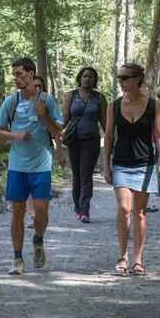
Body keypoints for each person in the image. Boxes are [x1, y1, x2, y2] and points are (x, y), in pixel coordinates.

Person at [0, 58, 63, 275]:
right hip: (17, 166)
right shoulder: (10, 102)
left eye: (20, 74)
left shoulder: (47, 100)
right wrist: (16, 135)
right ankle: (17, 258)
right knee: (17, 210)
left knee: (41, 211)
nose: (16, 78)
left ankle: (38, 240)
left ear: (31, 75)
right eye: (14, 74)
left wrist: (43, 115)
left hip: (41, 164)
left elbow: (58, 131)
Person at [103, 63, 160, 276]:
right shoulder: (113, 105)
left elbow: (159, 136)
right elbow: (110, 136)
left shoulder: (153, 105)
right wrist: (106, 164)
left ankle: (138, 260)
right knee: (124, 209)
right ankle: (122, 257)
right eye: (119, 78)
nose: (120, 81)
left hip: (145, 164)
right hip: (121, 162)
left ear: (136, 80)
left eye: (124, 78)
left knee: (139, 213)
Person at [61, 67, 107, 223]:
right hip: (73, 140)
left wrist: (112, 139)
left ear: (95, 80)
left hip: (91, 140)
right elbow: (65, 118)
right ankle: (78, 208)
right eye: (85, 76)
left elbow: (105, 122)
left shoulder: (99, 98)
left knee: (86, 175)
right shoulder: (71, 95)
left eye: (91, 77)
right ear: (80, 78)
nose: (88, 79)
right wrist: (53, 132)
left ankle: (85, 209)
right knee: (77, 175)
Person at [26, 75, 65, 229]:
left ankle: (41, 215)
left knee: (41, 186)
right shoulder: (21, 104)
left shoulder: (48, 105)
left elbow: (57, 131)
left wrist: (60, 152)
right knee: (28, 185)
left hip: (44, 151)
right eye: (33, 85)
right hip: (25, 152)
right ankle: (32, 217)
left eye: (39, 86)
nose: (36, 89)